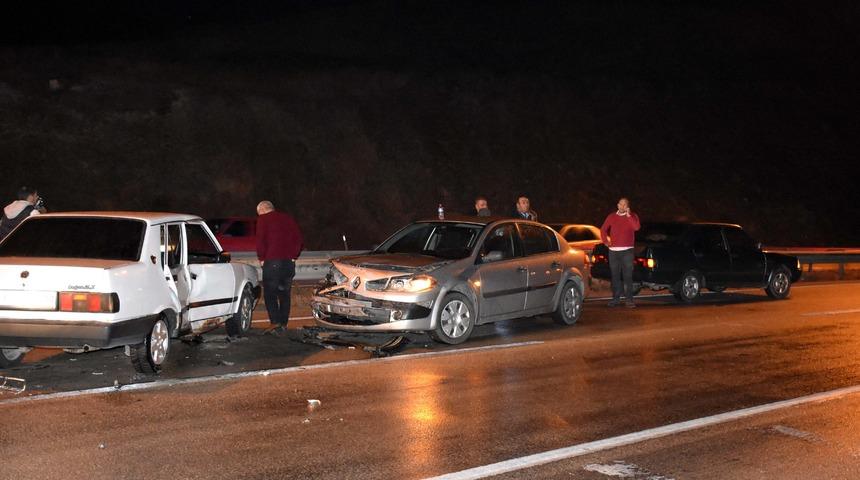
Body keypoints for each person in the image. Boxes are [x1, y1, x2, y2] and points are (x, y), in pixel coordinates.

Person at [256, 200, 304, 336]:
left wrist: (262, 258)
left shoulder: (263, 220)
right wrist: (293, 256)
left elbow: (260, 240)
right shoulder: (288, 218)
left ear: (263, 210)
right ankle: (283, 323)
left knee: (270, 294)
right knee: (284, 295)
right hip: (288, 263)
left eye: (259, 213)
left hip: (272, 262)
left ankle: (275, 322)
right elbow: (299, 239)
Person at [600, 197, 641, 308]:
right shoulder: (612, 216)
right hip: (613, 252)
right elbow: (603, 229)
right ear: (617, 205)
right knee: (615, 276)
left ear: (628, 206)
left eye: (624, 205)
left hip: (627, 251)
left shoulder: (633, 216)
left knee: (627, 276)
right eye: (620, 204)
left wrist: (629, 216)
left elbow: (636, 227)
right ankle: (615, 299)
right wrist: (605, 241)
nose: (622, 206)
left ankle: (629, 300)